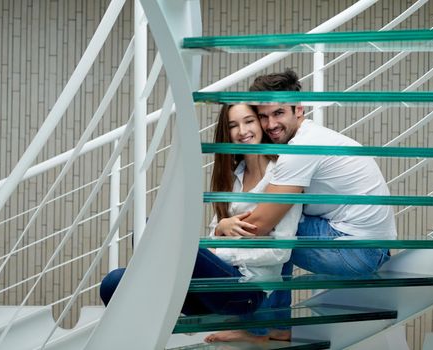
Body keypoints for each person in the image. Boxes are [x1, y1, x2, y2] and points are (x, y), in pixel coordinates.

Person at [99, 104, 302, 344]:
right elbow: (213, 238)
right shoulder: (232, 176)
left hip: (246, 291)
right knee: (113, 282)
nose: (242, 131)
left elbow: (281, 251)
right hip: (212, 287)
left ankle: (165, 300)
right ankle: (159, 314)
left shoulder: (283, 175)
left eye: (248, 121)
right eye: (233, 125)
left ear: (260, 123)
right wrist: (219, 229)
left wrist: (218, 251)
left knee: (153, 233)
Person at [216, 69, 396, 277]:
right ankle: (274, 302)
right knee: (276, 218)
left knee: (276, 230)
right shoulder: (312, 136)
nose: (271, 125)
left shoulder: (301, 149)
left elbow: (258, 226)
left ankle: (266, 301)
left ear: (299, 109)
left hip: (356, 251)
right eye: (263, 117)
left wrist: (221, 232)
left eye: (278, 113)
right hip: (371, 246)